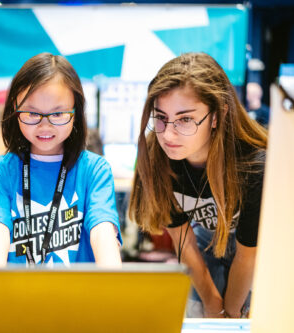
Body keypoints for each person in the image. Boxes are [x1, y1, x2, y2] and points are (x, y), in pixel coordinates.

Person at [128, 53, 267, 318]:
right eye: (160, 117)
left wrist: (232, 313)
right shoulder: (157, 155)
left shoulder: (253, 165)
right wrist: (213, 305)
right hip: (203, 243)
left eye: (185, 119)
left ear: (217, 115)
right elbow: (184, 242)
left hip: (255, 250)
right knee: (199, 313)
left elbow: (248, 255)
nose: (168, 134)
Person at [0, 53, 122, 268]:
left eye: (58, 114)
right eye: (31, 113)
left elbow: (103, 233)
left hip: (80, 297)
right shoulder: (2, 170)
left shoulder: (94, 170)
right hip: (18, 296)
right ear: (14, 111)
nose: (45, 126)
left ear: (76, 111)